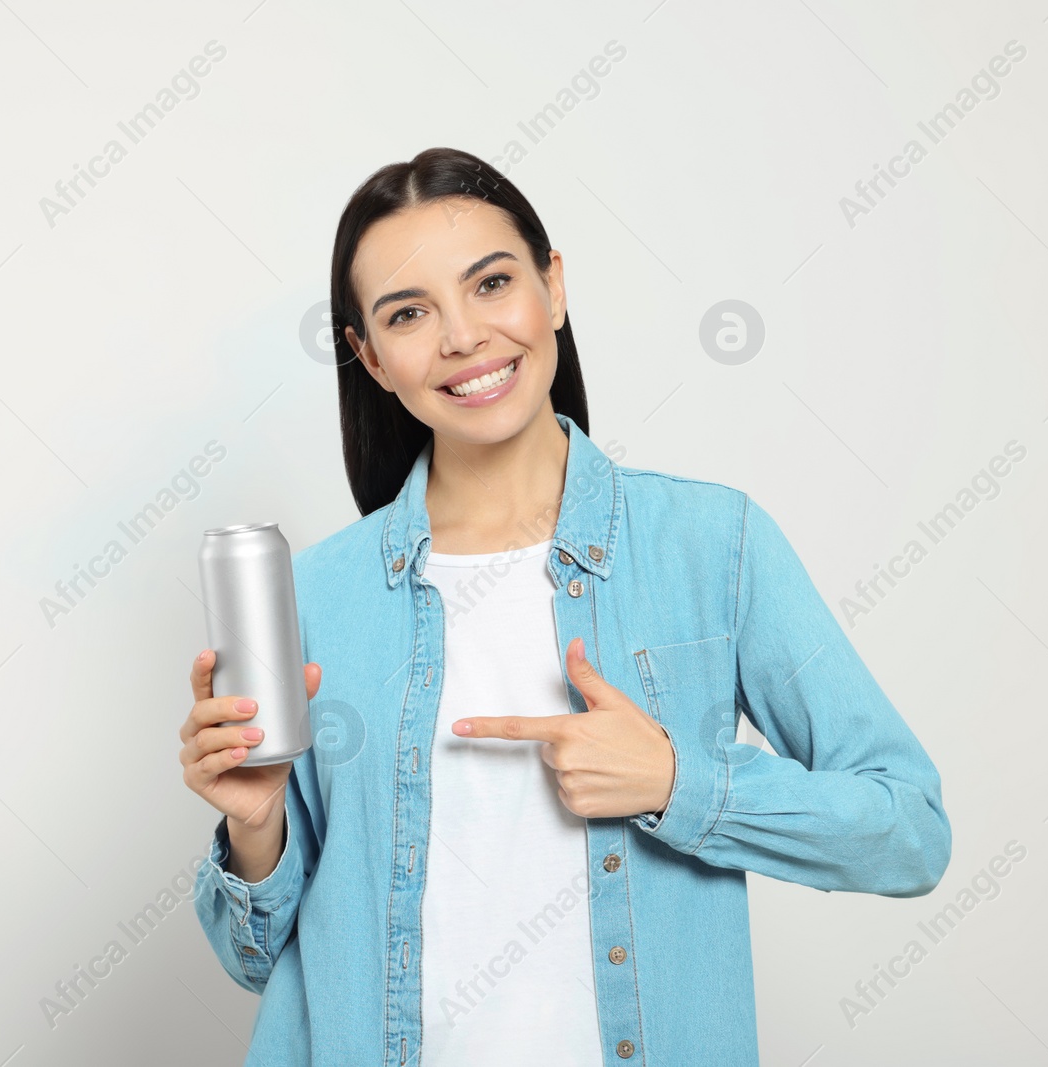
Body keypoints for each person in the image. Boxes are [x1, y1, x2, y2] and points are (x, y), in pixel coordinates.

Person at [179, 146, 952, 1065]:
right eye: (409, 313)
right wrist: (254, 825)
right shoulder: (316, 595)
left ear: (553, 285)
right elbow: (256, 957)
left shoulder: (713, 546)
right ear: (370, 356)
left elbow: (909, 831)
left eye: (492, 282)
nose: (463, 337)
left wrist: (678, 782)